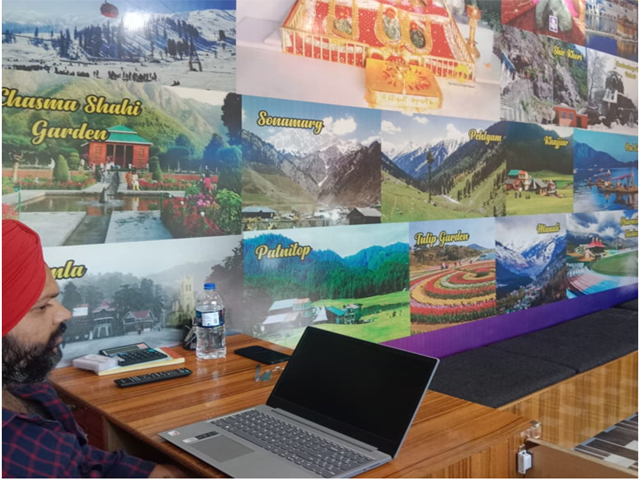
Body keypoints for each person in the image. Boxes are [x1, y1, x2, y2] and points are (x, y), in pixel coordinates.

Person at [2, 220, 188, 478]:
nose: (64, 313)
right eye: (42, 306)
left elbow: (76, 455)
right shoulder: (11, 461)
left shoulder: (24, 382)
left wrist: (148, 473)